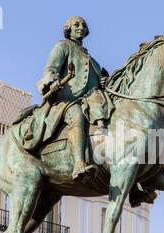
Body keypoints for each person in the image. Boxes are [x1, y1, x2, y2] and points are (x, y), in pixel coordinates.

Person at [36, 16, 110, 181]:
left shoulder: (93, 61)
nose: (81, 27)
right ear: (68, 29)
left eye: (83, 25)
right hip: (67, 101)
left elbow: (97, 82)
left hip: (92, 101)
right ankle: (78, 164)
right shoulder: (62, 47)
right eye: (76, 25)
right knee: (77, 116)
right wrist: (52, 81)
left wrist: (104, 81)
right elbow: (50, 69)